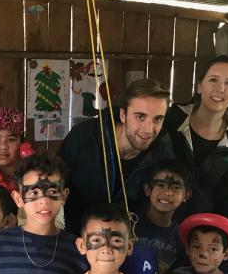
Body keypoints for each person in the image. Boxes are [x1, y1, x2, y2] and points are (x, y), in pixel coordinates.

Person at [59, 78, 173, 233]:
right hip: (77, 239)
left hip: (129, 244)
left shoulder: (162, 150)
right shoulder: (84, 136)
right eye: (140, 117)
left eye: (157, 119)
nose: (148, 129)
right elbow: (56, 186)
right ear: (123, 115)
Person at [163, 55, 228, 222]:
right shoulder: (170, 119)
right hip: (159, 227)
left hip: (203, 237)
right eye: (214, 80)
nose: (220, 88)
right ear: (200, 86)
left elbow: (227, 202)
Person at [133, 160, 190, 274]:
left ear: (186, 195)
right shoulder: (129, 222)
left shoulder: (181, 237)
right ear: (147, 189)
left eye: (175, 187)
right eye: (160, 185)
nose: (168, 192)